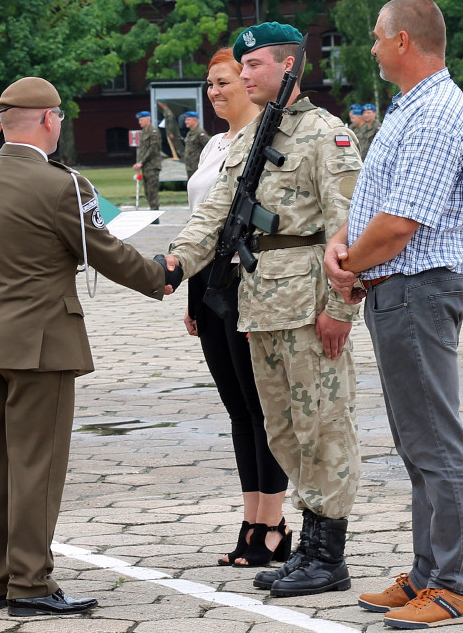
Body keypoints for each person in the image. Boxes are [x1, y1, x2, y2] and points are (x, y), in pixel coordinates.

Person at [0, 76, 177, 617]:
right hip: (41, 342)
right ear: (50, 120)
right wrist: (159, 276)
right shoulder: (61, 185)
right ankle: (30, 584)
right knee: (35, 465)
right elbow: (103, 250)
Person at [166, 22, 363, 599]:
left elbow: (348, 231)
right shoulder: (255, 136)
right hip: (260, 304)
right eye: (243, 65)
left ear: (289, 68)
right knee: (283, 431)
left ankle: (329, 554)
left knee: (322, 427)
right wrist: (175, 262)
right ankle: (307, 543)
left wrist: (341, 310)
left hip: (309, 307)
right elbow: (218, 214)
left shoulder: (329, 135)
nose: (245, 74)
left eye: (255, 66)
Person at [324, 0, 463, 628]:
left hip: (416, 287)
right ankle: (428, 572)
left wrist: (351, 262)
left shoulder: (438, 112)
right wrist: (346, 242)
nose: (369, 46)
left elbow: (399, 224)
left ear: (403, 42)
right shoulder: (412, 108)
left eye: (374, 35)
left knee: (437, 444)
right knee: (418, 442)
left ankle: (455, 584)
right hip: (398, 288)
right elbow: (376, 205)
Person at [183, 48, 290, 568]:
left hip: (249, 283)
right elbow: (199, 222)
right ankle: (252, 519)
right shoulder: (212, 147)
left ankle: (274, 524)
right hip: (209, 285)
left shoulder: (263, 142)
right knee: (236, 409)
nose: (217, 91)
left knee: (261, 406)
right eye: (211, 84)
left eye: (225, 80)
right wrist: (191, 295)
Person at [132, 109, 163, 210]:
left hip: (152, 165)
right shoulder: (143, 132)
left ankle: (155, 212)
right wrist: (138, 163)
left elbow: (153, 149)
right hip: (145, 166)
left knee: (152, 190)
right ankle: (152, 209)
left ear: (147, 119)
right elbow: (142, 150)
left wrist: (141, 162)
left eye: (141, 120)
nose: (139, 122)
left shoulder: (153, 131)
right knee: (147, 191)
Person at [182, 110, 209, 180]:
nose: (185, 122)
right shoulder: (190, 133)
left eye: (188, 119)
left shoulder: (200, 133)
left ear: (195, 120)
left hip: (197, 166)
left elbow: (208, 148)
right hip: (190, 166)